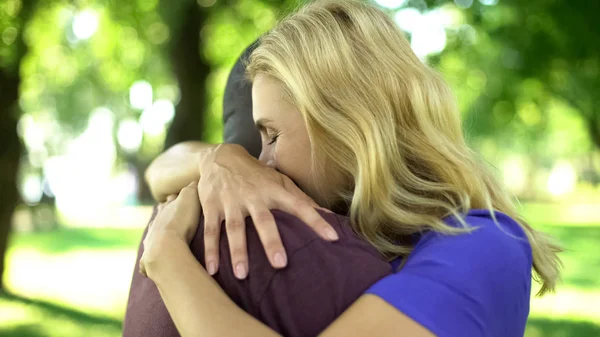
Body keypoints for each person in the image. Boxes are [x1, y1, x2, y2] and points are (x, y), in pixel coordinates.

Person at [125, 1, 562, 336]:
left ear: (349, 125)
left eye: (272, 135)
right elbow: (162, 170)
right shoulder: (347, 221)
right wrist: (218, 159)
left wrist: (168, 259)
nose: (262, 163)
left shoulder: (482, 245)